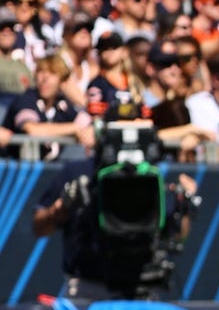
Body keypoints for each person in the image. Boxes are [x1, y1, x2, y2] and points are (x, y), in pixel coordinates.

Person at [31, 118, 199, 300]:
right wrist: (60, 210)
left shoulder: (152, 174)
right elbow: (39, 227)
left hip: (139, 285)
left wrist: (184, 206)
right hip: (88, 285)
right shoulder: (78, 172)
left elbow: (175, 237)